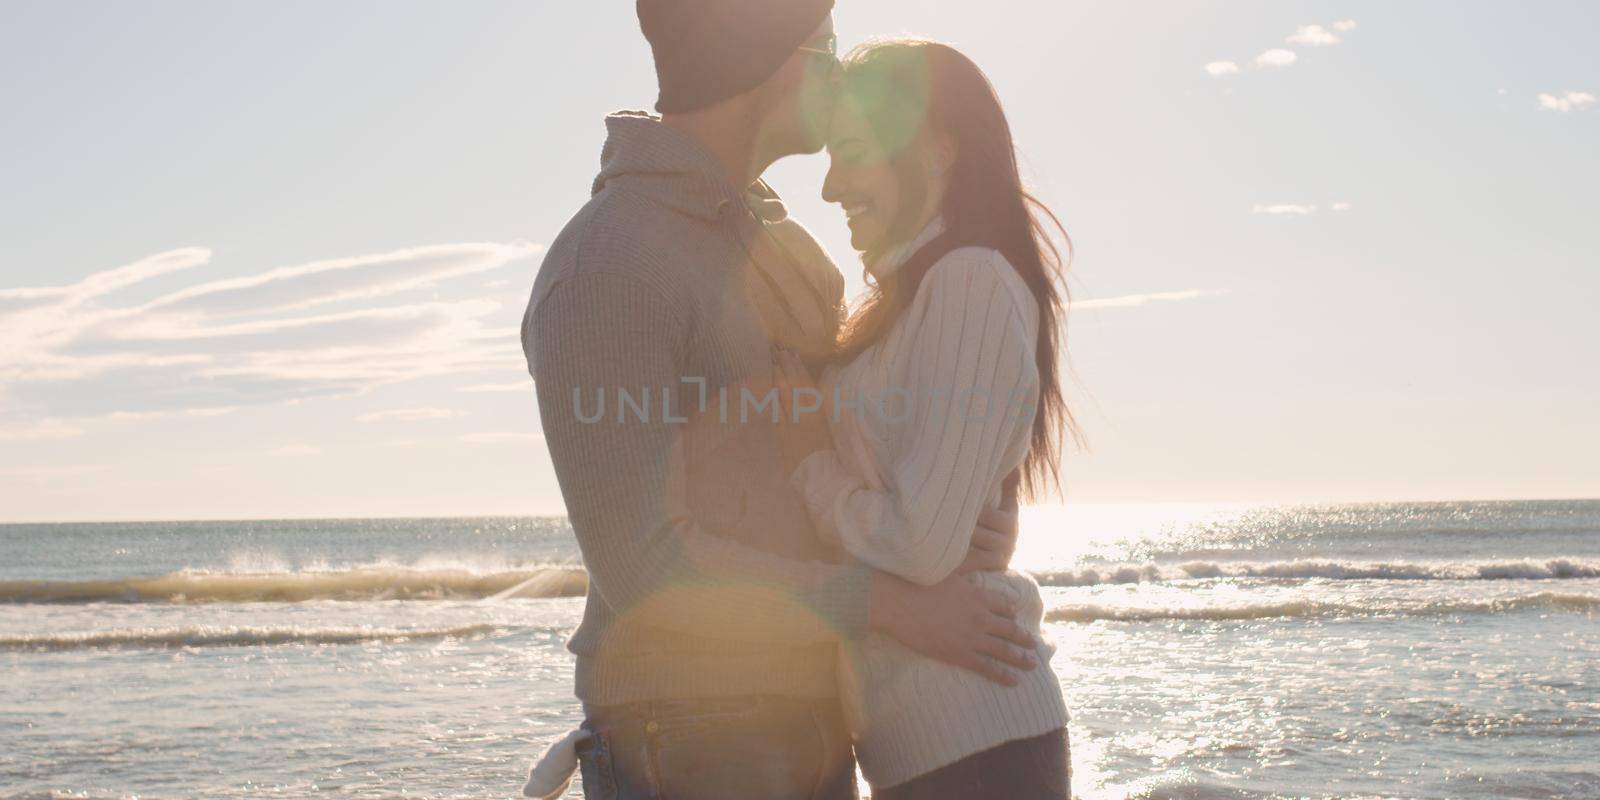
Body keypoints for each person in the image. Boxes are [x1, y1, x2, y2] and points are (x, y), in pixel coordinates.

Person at [519, 3, 1042, 798]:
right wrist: (891, 605)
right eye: (825, 49)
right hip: (692, 736)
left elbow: (827, 458)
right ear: (762, 59)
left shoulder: (784, 248)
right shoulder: (609, 265)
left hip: (812, 717)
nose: (839, 75)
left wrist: (964, 519)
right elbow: (645, 568)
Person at [771, 37, 1082, 799]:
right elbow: (932, 518)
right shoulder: (903, 302)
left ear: (939, 152)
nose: (832, 186)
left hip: (979, 744)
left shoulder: (969, 282)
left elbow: (919, 544)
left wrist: (810, 461)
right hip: (930, 748)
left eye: (851, 153)